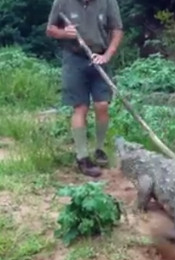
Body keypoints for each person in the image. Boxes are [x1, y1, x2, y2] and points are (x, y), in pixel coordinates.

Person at [46, 0, 123, 177]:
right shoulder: (62, 2)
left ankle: (100, 149)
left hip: (100, 58)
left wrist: (107, 55)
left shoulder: (108, 2)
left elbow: (117, 30)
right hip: (74, 59)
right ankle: (82, 157)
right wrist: (64, 33)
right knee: (80, 107)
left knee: (102, 104)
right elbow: (50, 29)